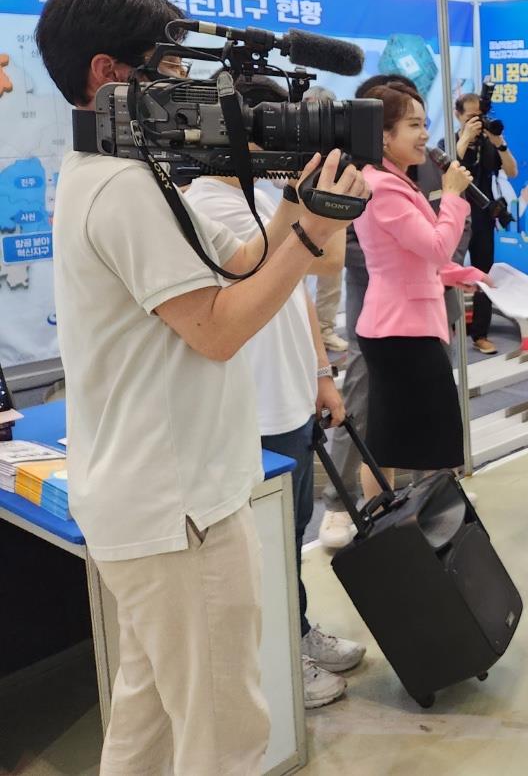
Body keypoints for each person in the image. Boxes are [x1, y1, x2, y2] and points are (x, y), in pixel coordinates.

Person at [41, 0, 368, 773]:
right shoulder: (121, 186)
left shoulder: (125, 172)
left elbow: (244, 261)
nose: (186, 86)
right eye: (168, 68)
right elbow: (217, 330)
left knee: (149, 720)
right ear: (107, 73)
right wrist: (312, 234)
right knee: (225, 738)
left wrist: (294, 205)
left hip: (156, 503)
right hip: (174, 511)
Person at [184, 77, 366, 709]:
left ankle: (297, 630)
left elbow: (301, 292)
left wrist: (320, 374)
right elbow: (324, 260)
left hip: (290, 393)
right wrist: (322, 193)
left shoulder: (262, 194)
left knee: (291, 532)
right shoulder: (203, 204)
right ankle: (277, 660)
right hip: (250, 405)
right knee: (259, 546)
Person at [355, 83, 484, 500]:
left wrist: (456, 274)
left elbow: (414, 258)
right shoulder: (382, 186)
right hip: (401, 330)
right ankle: (425, 520)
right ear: (383, 135)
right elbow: (436, 246)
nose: (425, 134)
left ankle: (404, 519)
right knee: (424, 438)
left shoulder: (394, 181)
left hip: (400, 326)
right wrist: (453, 195)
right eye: (414, 125)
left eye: (425, 124)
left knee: (391, 439)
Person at [318, 74, 420, 550]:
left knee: (419, 397)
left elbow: (447, 224)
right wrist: (398, 256)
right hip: (375, 297)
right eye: (409, 122)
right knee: (359, 398)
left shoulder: (423, 165)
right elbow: (349, 244)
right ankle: (339, 502)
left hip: (426, 298)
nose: (420, 132)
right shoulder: (354, 173)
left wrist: (434, 254)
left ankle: (422, 489)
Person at [454, 92, 519, 355]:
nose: (477, 123)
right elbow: (448, 168)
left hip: (482, 218)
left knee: (483, 275)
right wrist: (465, 138)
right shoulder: (448, 140)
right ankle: (446, 327)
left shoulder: (488, 143)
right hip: (454, 217)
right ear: (458, 116)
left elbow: (512, 171)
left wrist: (499, 143)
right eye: (471, 117)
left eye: (480, 117)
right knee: (448, 273)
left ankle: (480, 334)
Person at [300, 85, 348, 353]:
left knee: (332, 273)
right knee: (292, 271)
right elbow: (277, 179)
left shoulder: (339, 142)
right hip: (296, 212)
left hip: (329, 212)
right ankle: (301, 328)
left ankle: (325, 329)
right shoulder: (294, 138)